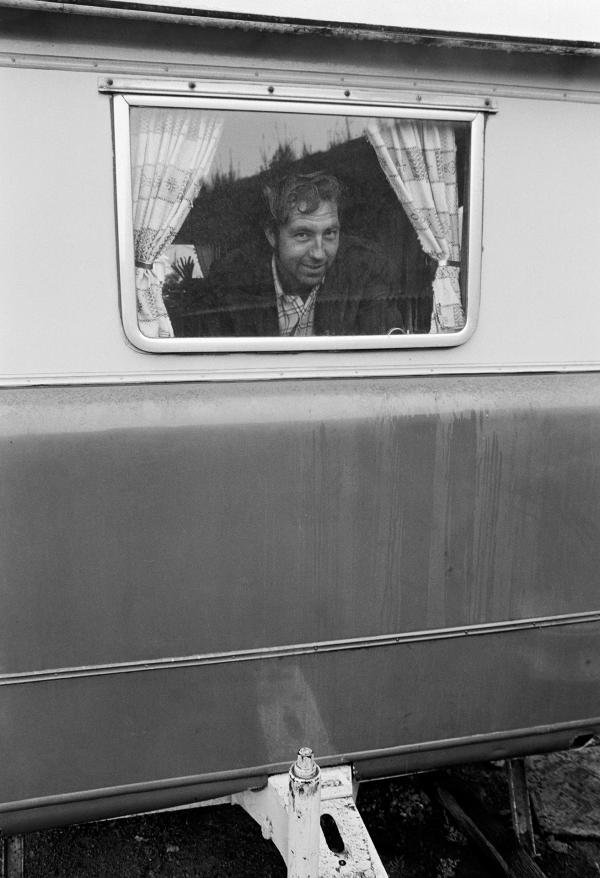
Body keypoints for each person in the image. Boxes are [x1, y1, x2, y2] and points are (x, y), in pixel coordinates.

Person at [206, 171, 400, 337]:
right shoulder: (233, 283)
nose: (319, 253)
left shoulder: (365, 271)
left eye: (329, 233)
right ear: (272, 235)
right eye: (302, 235)